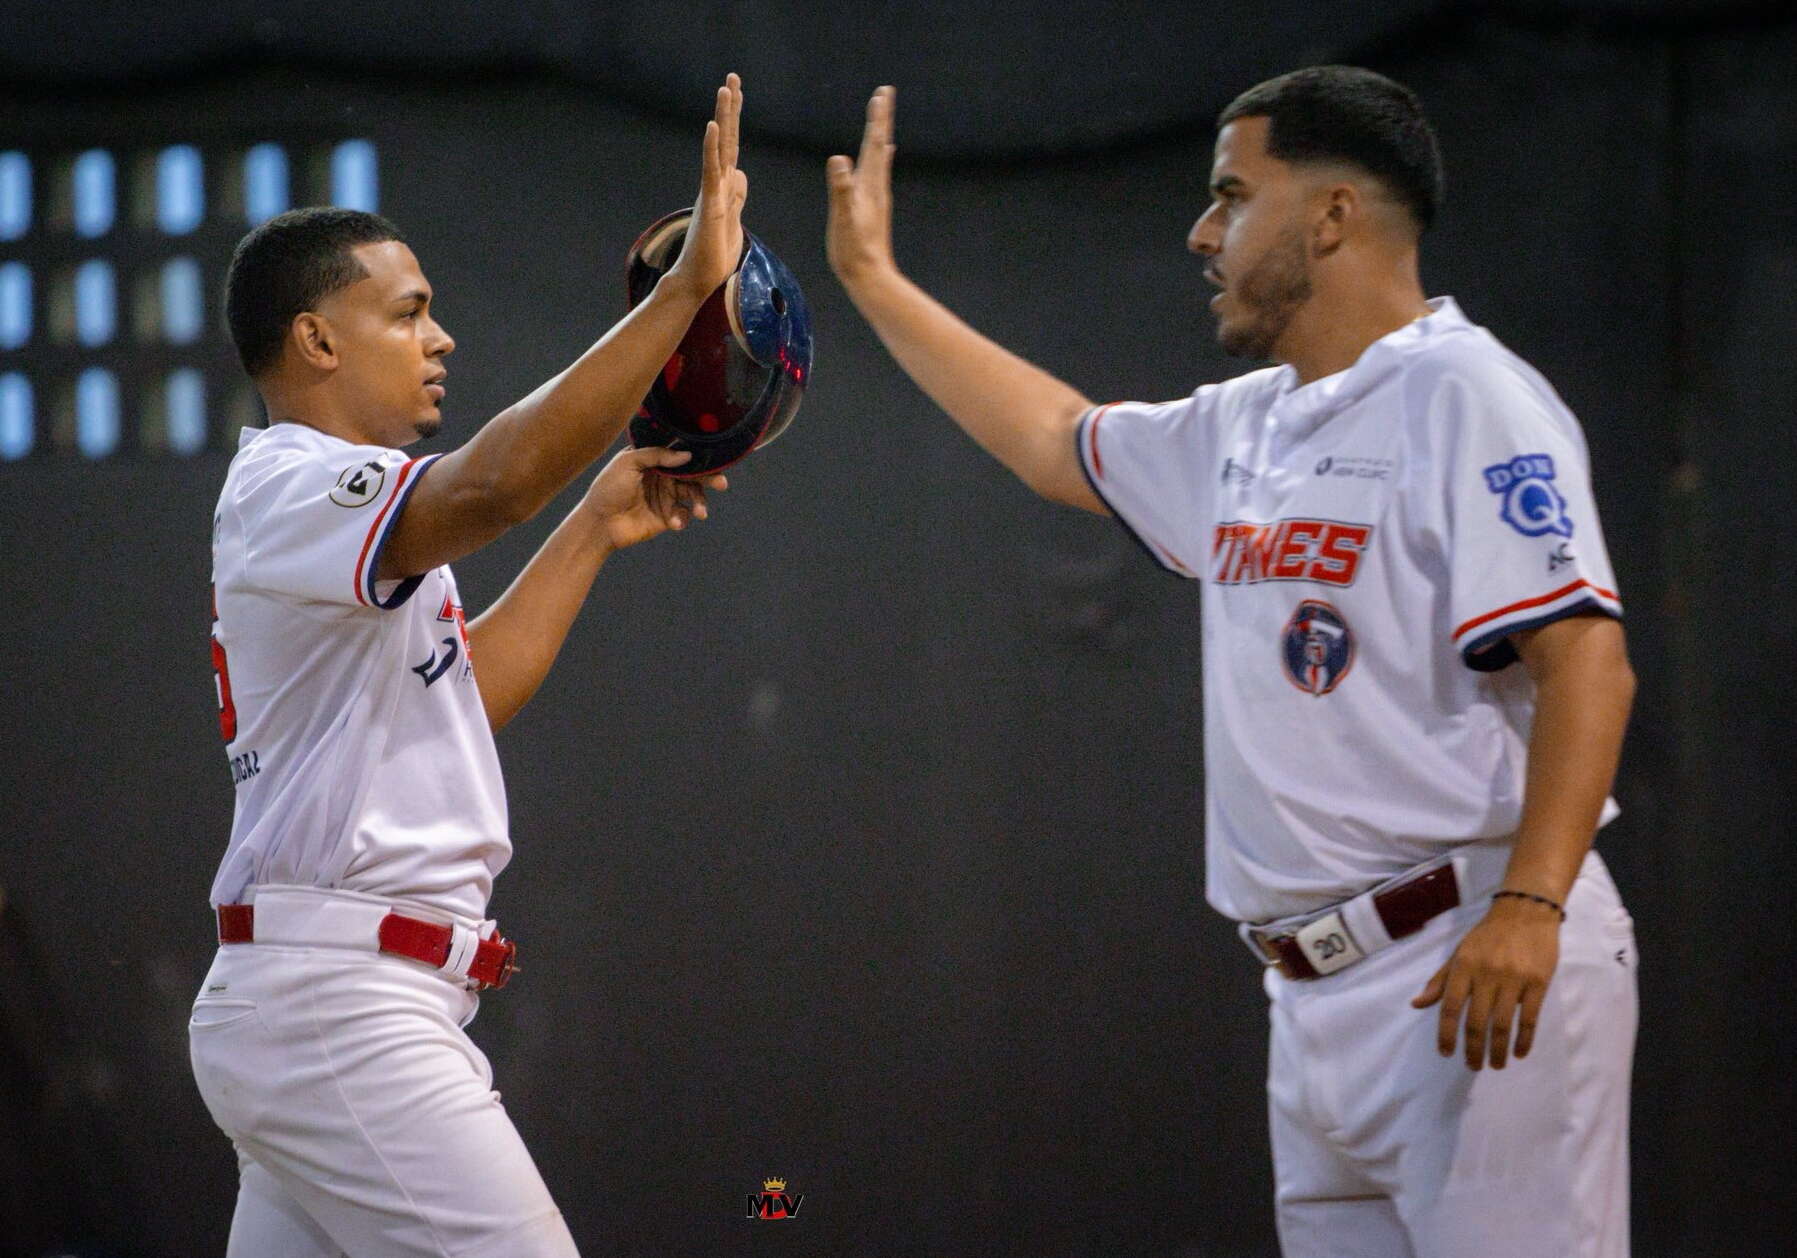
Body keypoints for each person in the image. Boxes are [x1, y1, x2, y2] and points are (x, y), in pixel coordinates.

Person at [825, 67, 1638, 1258]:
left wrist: (1530, 901)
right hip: (1310, 992)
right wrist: (875, 285)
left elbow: (1589, 664)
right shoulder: (1252, 423)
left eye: (1231, 194)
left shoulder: (1469, 394)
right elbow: (1058, 441)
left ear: (1331, 215)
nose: (1203, 231)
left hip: (1471, 953)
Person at [189, 74, 746, 1258]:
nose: (441, 336)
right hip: (343, 1009)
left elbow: (461, 694)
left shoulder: (355, 524)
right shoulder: (293, 483)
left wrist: (592, 524)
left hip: (325, 1000)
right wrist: (683, 296)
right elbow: (493, 483)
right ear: (318, 338)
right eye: (408, 311)